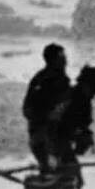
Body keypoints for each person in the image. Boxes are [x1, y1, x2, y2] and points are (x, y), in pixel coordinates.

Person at [22, 43, 72, 175]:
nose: (66, 60)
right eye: (62, 57)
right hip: (51, 138)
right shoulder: (61, 81)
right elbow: (64, 108)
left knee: (48, 169)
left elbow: (26, 109)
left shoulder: (38, 78)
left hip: (37, 136)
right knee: (59, 171)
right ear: (55, 59)